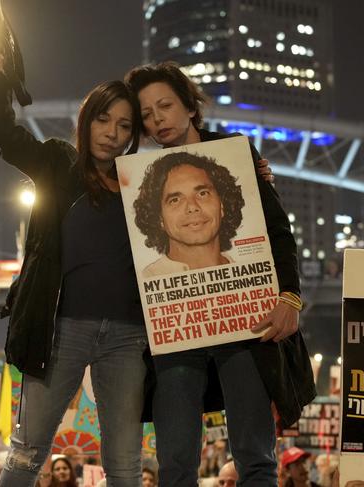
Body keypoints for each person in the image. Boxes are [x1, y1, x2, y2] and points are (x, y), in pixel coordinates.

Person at [125, 61, 316, 487]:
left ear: (190, 106)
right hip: (176, 330)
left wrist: (289, 297)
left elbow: (277, 230)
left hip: (245, 323)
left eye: (166, 106)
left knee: (256, 456)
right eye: (147, 114)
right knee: (175, 462)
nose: (158, 120)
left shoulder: (235, 154)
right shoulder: (139, 176)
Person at [0, 40, 147, 487]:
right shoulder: (57, 162)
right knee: (28, 449)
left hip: (128, 337)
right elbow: (0, 129)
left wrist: (258, 173)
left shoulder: (144, 185)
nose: (112, 132)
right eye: (104, 118)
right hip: (61, 329)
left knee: (125, 462)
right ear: (86, 119)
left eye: (125, 125)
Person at [134, 151, 243, 277]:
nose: (192, 207)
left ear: (222, 205)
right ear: (159, 218)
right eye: (175, 200)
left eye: (202, 193)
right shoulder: (144, 281)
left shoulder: (251, 276)